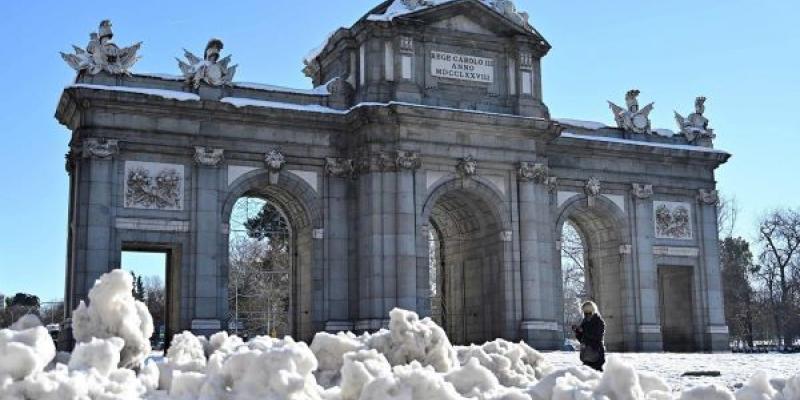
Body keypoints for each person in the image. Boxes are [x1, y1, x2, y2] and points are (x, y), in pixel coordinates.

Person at [571, 300, 606, 371]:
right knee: (586, 376)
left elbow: (597, 337)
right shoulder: (585, 322)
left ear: (592, 311)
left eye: (588, 313)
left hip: (596, 355)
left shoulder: (599, 322)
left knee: (597, 375)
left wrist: (584, 331)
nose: (586, 315)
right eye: (584, 313)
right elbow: (582, 339)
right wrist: (577, 331)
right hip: (586, 355)